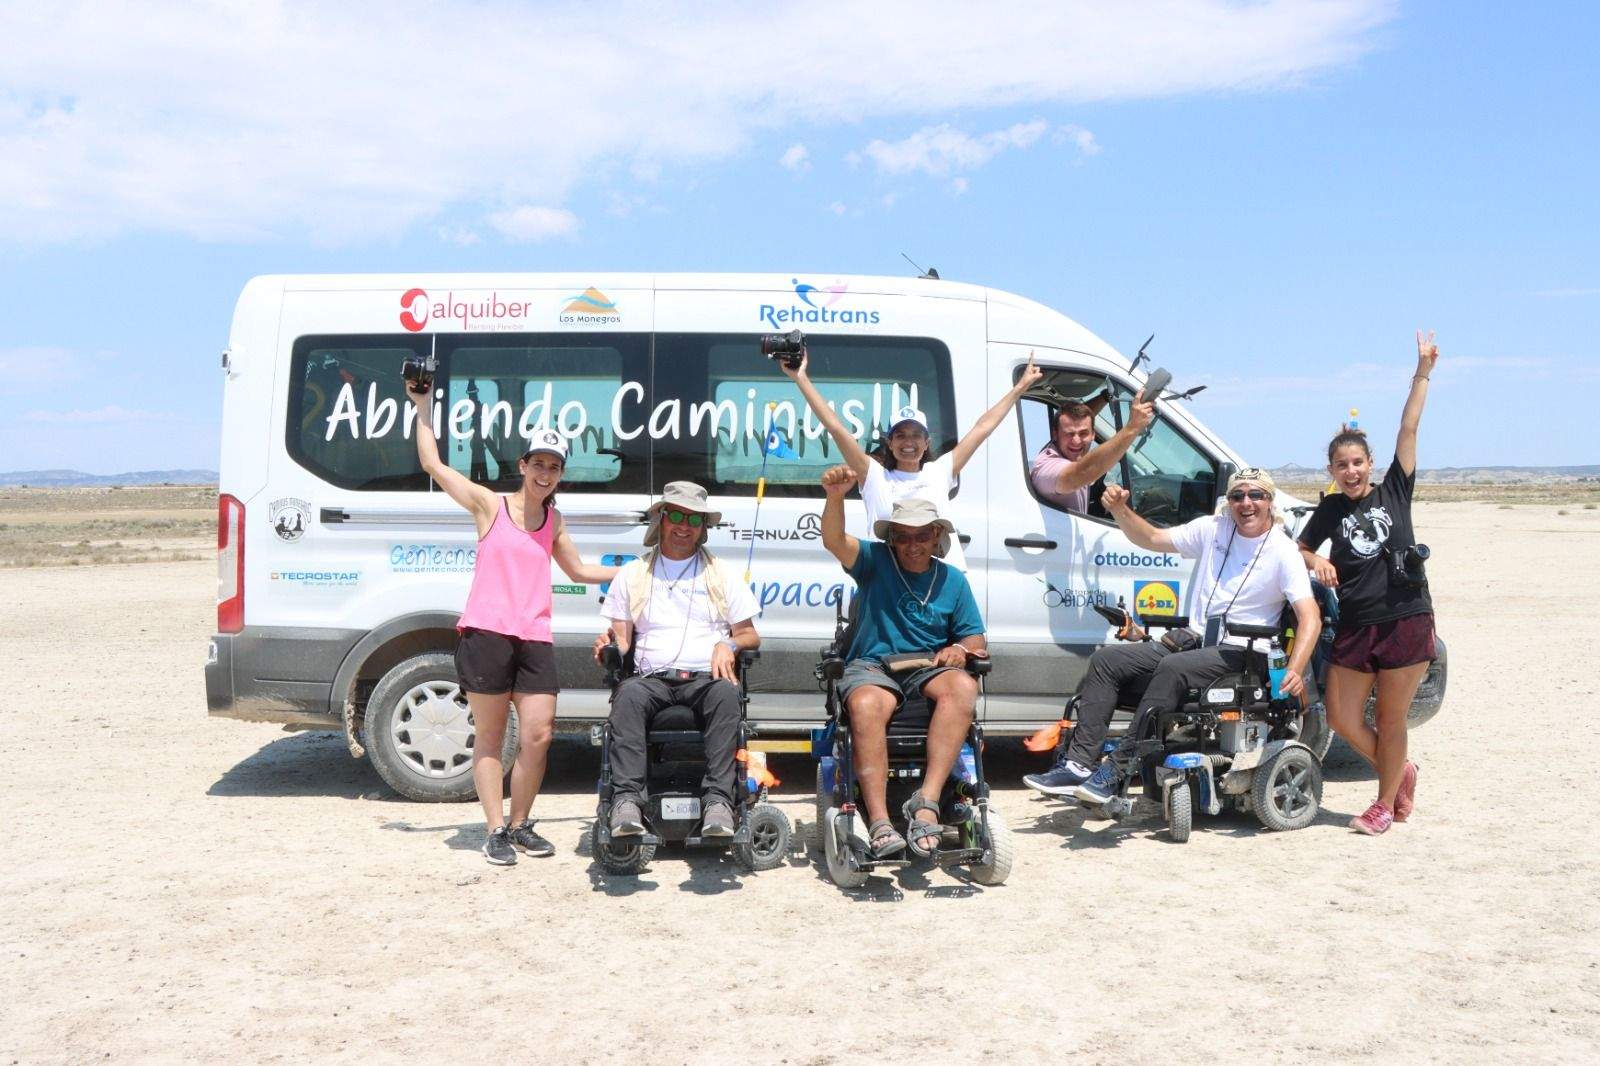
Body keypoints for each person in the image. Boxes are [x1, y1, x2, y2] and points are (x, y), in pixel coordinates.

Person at [406, 384, 617, 866]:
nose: (546, 473)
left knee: (539, 736)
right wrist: (421, 408)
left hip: (534, 638)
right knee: (491, 738)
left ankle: (521, 824)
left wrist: (639, 569)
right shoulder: (489, 505)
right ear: (522, 466)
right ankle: (495, 829)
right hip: (486, 635)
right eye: (538, 463)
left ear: (562, 474)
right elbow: (433, 466)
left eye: (555, 466)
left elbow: (579, 572)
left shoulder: (554, 520)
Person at [1063, 469, 1321, 807]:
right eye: (1237, 495)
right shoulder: (1213, 529)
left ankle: (1118, 768)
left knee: (1174, 667)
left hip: (1246, 651)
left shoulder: (1284, 551)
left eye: (1256, 495)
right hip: (1198, 642)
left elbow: (1310, 618)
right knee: (1107, 661)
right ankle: (1078, 764)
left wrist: (1295, 668)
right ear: (1228, 502)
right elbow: (1152, 538)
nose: (1246, 503)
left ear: (1270, 502)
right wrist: (1120, 511)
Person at [1297, 331, 1440, 836]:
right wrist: (1316, 562)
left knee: (1394, 718)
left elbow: (1409, 426)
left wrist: (1422, 371)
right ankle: (1399, 770)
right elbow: (1301, 549)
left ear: (1370, 464)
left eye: (1358, 463)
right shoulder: (1331, 508)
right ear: (1331, 471)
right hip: (1357, 624)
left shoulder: (1396, 490)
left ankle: (1382, 805)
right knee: (1340, 716)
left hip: (1404, 618)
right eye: (1342, 465)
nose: (1351, 471)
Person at [819, 466, 988, 858]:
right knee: (865, 704)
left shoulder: (952, 580)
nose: (913, 543)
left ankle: (926, 802)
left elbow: (975, 636)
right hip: (872, 664)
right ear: (893, 538)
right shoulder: (875, 560)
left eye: (923, 535)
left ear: (937, 537)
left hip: (927, 665)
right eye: (905, 536)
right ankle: (879, 822)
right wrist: (835, 496)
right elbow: (833, 540)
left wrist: (961, 650)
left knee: (964, 685)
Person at [592, 482, 761, 841]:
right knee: (627, 695)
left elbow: (750, 635)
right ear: (662, 519)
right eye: (677, 516)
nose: (684, 526)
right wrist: (609, 644)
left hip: (704, 678)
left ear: (703, 528)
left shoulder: (721, 573)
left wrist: (728, 643)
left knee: (726, 695)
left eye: (694, 520)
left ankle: (718, 801)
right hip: (651, 678)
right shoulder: (634, 574)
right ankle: (627, 803)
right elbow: (622, 640)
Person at [781, 349, 1044, 570]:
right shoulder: (874, 475)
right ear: (889, 443)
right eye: (901, 435)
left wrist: (1019, 388)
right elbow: (836, 428)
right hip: (888, 581)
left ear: (927, 443)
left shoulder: (940, 471)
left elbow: (982, 428)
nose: (909, 442)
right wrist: (800, 378)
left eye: (917, 435)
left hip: (942, 582)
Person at [1029, 389, 1155, 513]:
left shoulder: (1067, 452)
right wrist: (1132, 427)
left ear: (1093, 434)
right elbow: (1080, 473)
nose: (1076, 441)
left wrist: (1106, 396)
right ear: (1055, 434)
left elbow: (1078, 421)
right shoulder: (1046, 466)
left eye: (1083, 433)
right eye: (1069, 434)